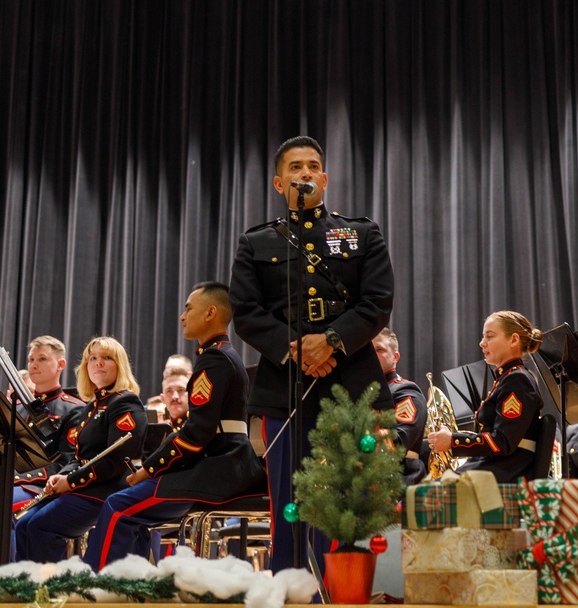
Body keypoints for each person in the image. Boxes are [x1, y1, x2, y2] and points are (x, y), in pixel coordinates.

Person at [230, 135, 394, 573]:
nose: (305, 173)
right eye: (295, 167)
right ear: (279, 183)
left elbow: (377, 302)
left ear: (324, 178)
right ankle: (288, 590)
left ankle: (344, 595)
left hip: (352, 386)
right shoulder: (256, 243)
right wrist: (296, 350)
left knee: (348, 503)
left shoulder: (361, 233)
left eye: (312, 166)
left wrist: (332, 341)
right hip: (285, 389)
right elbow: (246, 314)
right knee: (290, 503)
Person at [83, 282, 266, 570]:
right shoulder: (221, 355)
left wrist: (149, 469)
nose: (182, 316)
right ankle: (131, 585)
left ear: (210, 313)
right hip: (222, 463)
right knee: (131, 509)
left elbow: (196, 435)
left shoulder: (216, 359)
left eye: (188, 308)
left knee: (118, 507)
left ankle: (96, 591)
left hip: (218, 467)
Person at [15, 337, 146, 563]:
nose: (98, 363)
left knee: (40, 526)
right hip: (85, 486)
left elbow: (113, 462)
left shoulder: (126, 403)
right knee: (25, 523)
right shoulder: (90, 408)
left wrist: (72, 482)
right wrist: (61, 476)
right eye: (92, 358)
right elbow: (79, 457)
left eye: (107, 358)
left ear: (120, 365)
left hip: (107, 490)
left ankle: (49, 591)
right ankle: (25, 590)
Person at [427, 311, 544, 482]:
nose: (482, 343)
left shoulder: (517, 380)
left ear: (513, 340)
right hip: (495, 467)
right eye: (483, 337)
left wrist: (453, 440)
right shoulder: (508, 378)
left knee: (424, 493)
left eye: (490, 336)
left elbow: (503, 442)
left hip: (506, 472)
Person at [373, 327, 428, 485]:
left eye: (379, 349)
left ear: (395, 357)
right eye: (368, 351)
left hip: (400, 477)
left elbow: (397, 443)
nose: (372, 355)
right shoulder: (358, 392)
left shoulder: (406, 391)